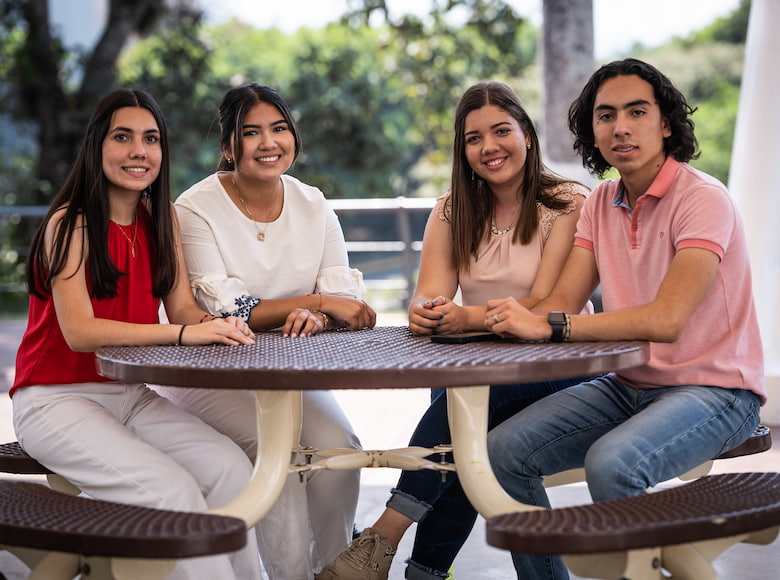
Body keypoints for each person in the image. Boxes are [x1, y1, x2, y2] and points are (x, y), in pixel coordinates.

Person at [485, 58, 766, 580]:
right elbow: (564, 300)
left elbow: (665, 320)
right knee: (502, 451)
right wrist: (466, 317)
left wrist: (552, 327)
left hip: (719, 392)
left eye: (637, 111)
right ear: (593, 131)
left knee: (613, 464)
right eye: (605, 115)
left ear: (666, 123)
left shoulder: (703, 199)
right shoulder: (600, 205)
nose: (620, 127)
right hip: (630, 384)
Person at [317, 81, 594, 580]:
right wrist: (426, 312)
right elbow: (429, 294)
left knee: (465, 413)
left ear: (527, 135)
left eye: (501, 131)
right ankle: (417, 570)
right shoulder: (451, 210)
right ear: (462, 150)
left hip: (562, 364)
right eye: (473, 138)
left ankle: (384, 538)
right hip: (481, 368)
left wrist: (468, 316)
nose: (489, 147)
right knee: (466, 426)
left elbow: (552, 306)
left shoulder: (569, 203)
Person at [10, 89, 263, 580]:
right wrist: (183, 335)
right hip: (54, 400)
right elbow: (81, 332)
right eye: (122, 137)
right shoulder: (70, 224)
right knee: (171, 493)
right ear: (96, 147)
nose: (138, 151)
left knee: (230, 470)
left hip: (128, 395)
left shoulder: (161, 219)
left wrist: (218, 326)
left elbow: (183, 309)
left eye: (150, 139)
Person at [154, 83, 376, 580]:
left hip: (286, 370)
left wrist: (319, 316)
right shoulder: (196, 208)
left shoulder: (314, 204)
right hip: (208, 370)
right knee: (275, 450)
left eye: (278, 129)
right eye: (250, 132)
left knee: (340, 445)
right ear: (229, 147)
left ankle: (336, 568)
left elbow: (349, 304)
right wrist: (317, 302)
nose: (268, 142)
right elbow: (232, 308)